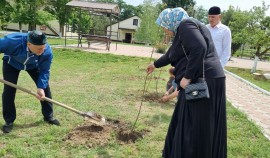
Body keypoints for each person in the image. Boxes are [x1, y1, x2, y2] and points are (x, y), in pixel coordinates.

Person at [146, 7, 226, 158]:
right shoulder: (183, 32)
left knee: (193, 123)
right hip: (209, 79)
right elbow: (171, 54)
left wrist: (187, 76)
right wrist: (155, 65)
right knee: (193, 121)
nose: (164, 29)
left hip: (204, 80)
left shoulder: (185, 25)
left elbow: (199, 48)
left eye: (163, 25)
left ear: (170, 21)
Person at [0, 30, 60, 133]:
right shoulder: (12, 41)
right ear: (29, 44)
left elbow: (45, 70)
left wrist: (40, 87)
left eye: (43, 47)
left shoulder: (46, 51)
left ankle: (48, 116)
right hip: (12, 63)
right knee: (9, 90)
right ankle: (9, 121)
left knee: (45, 88)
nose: (42, 50)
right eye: (39, 49)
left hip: (33, 65)